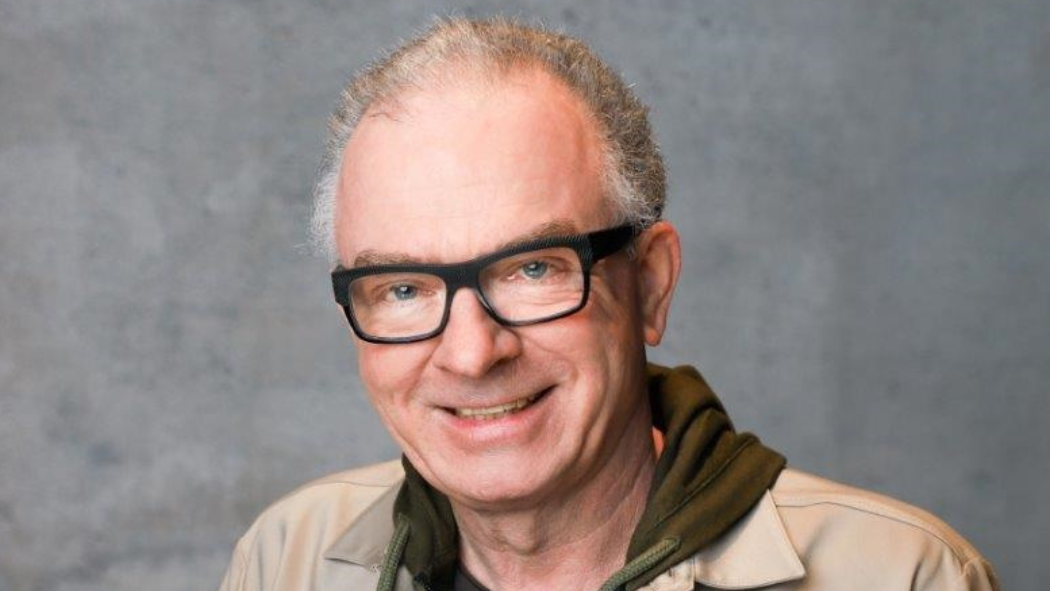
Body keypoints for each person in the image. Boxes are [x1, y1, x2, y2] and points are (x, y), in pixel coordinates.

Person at [219, 17, 999, 591]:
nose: (472, 352)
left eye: (533, 268)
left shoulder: (903, 574)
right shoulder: (286, 560)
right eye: (402, 288)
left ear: (651, 284)